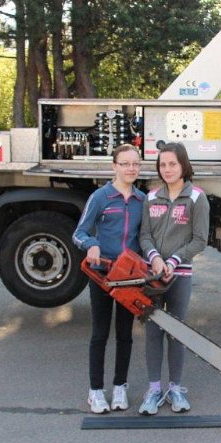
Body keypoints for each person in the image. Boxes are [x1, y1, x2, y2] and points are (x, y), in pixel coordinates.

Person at [138, 142, 210, 415]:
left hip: (179, 275)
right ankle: (154, 389)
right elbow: (144, 235)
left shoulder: (196, 198)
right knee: (153, 331)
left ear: (183, 166)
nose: (167, 169)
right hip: (152, 276)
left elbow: (200, 239)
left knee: (177, 332)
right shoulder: (150, 197)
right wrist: (155, 258)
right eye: (163, 164)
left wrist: (173, 260)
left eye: (172, 164)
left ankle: (176, 388)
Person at [73, 144, 145, 414]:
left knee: (125, 334)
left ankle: (120, 387)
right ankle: (95, 391)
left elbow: (145, 237)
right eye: (125, 164)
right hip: (103, 276)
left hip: (129, 279)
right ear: (114, 166)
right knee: (100, 333)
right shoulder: (100, 197)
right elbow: (78, 232)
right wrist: (91, 244)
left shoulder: (142, 200)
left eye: (135, 164)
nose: (131, 169)